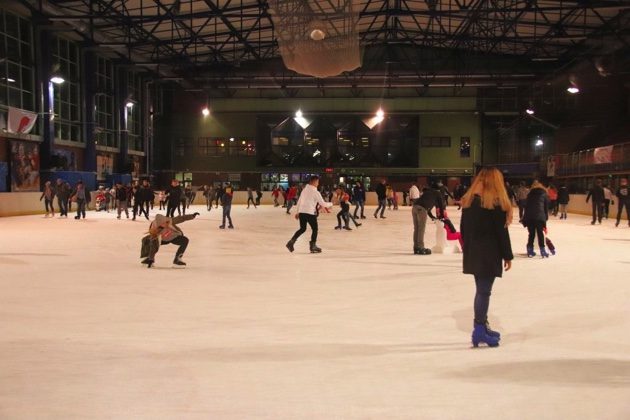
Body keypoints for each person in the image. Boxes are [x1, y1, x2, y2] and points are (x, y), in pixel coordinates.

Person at [460, 167, 513, 348]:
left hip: (474, 252)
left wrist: (468, 249)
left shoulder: (468, 202)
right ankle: (480, 329)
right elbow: (501, 233)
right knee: (484, 292)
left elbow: (464, 231)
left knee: (480, 290)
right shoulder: (495, 204)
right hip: (489, 253)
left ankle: (481, 326)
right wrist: (508, 256)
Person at [286, 175, 332, 253]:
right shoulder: (315, 192)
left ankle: (291, 242)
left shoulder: (304, 190)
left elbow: (299, 201)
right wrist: (331, 204)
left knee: (302, 228)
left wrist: (298, 212)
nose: (318, 184)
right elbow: (323, 204)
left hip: (302, 212)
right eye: (317, 182)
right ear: (314, 182)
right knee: (315, 229)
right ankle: (313, 246)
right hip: (310, 212)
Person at [411, 184, 444, 255]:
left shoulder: (428, 193)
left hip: (414, 207)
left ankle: (416, 247)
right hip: (421, 209)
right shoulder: (438, 193)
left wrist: (432, 216)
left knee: (416, 228)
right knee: (421, 229)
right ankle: (420, 247)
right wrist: (442, 216)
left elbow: (427, 206)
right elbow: (441, 205)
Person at [522, 181, 550, 258]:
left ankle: (530, 250)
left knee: (531, 234)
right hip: (539, 216)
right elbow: (546, 208)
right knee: (540, 233)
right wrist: (545, 218)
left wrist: (525, 218)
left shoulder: (529, 194)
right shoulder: (544, 194)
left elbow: (526, 207)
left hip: (530, 217)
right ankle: (542, 250)